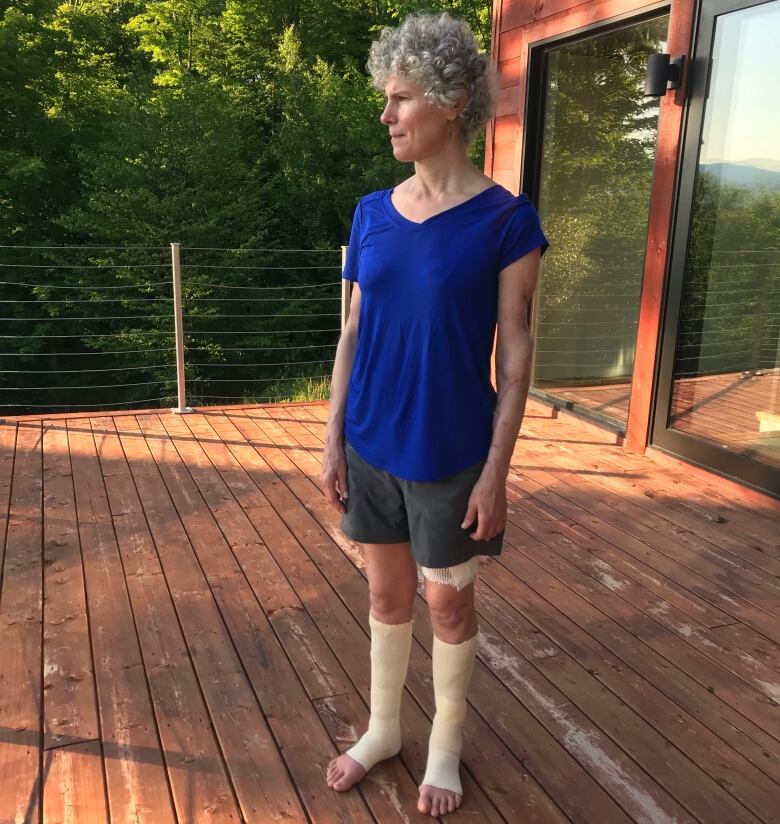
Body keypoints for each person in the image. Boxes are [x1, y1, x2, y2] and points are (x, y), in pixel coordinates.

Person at [319, 10, 549, 818]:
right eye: (386, 99)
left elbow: (516, 358)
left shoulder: (506, 222)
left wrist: (498, 471)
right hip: (372, 445)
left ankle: (444, 747)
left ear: (451, 103)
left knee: (448, 602)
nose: (386, 115)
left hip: (453, 453)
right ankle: (384, 730)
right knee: (386, 599)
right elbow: (350, 330)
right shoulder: (370, 213)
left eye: (401, 98)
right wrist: (331, 440)